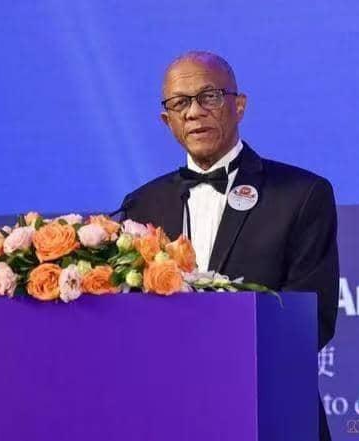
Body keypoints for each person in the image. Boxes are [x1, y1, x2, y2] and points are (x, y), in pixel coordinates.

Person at [121, 51, 339, 440]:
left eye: (209, 96)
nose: (194, 112)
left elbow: (313, 320)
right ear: (167, 120)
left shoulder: (301, 194)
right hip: (170, 414)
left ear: (239, 106)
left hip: (269, 411)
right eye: (180, 103)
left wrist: (221, 360)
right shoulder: (142, 205)